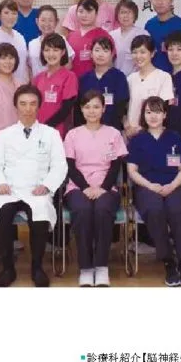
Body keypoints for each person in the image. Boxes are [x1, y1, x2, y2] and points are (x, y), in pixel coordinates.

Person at [0, 86, 68, 287]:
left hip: (37, 189)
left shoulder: (51, 134)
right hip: (9, 189)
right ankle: (7, 268)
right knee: (2, 214)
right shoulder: (5, 134)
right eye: (23, 104)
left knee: (39, 215)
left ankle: (37, 267)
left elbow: (59, 165)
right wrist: (0, 183)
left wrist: (47, 185)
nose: (27, 109)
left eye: (32, 104)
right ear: (16, 107)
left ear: (39, 106)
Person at [64, 90, 128, 287]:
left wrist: (103, 188)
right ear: (81, 109)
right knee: (82, 210)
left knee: (102, 209)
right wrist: (85, 187)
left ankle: (101, 267)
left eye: (96, 107)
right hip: (77, 187)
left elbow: (116, 167)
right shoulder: (72, 135)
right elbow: (70, 167)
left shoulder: (114, 134)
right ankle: (85, 268)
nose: (92, 111)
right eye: (87, 107)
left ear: (103, 109)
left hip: (106, 187)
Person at [127, 96, 181, 286]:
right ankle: (168, 261)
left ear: (165, 114)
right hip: (147, 187)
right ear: (143, 115)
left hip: (174, 186)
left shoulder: (175, 138)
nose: (153, 116)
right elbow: (132, 171)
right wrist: (150, 186)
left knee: (177, 210)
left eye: (157, 111)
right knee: (154, 209)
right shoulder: (137, 140)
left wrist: (172, 185)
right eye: (148, 112)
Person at [125, 35, 174, 137]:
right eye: (135, 52)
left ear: (152, 53)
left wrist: (142, 129)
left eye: (143, 52)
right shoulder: (130, 78)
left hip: (153, 133)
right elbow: (124, 107)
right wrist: (127, 126)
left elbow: (164, 108)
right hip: (130, 134)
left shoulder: (163, 77)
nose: (138, 56)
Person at [78, 36, 129, 132]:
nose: (100, 54)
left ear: (112, 55)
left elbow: (121, 106)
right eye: (97, 50)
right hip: (87, 129)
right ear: (91, 54)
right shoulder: (84, 78)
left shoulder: (119, 77)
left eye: (105, 51)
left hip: (112, 129)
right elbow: (79, 107)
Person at [33, 34, 79, 138]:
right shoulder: (37, 78)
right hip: (37, 130)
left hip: (57, 132)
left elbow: (66, 109)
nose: (51, 54)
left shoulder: (69, 77)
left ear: (63, 52)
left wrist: (46, 127)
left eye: (55, 50)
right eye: (47, 50)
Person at [144, 0, 181, 73]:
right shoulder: (149, 25)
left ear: (172, 0)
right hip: (153, 76)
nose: (160, 2)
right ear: (150, 0)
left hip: (174, 76)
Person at [67, 0, 114, 80]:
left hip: (95, 82)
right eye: (81, 11)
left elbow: (110, 62)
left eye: (89, 11)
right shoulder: (71, 36)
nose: (84, 15)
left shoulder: (104, 35)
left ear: (96, 13)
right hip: (73, 82)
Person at [0, 0, 29, 81]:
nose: (10, 17)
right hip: (2, 84)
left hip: (21, 84)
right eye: (6, 13)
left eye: (14, 13)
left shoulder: (20, 37)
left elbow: (25, 64)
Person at [28, 6, 75, 77]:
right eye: (43, 20)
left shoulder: (61, 39)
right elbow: (30, 68)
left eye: (50, 20)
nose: (47, 24)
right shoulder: (32, 44)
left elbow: (68, 65)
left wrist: (53, 79)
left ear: (57, 22)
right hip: (37, 82)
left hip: (57, 82)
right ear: (37, 21)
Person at [109, 0, 147, 76]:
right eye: (122, 12)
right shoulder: (111, 35)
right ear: (117, 15)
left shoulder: (142, 34)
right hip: (115, 78)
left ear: (135, 15)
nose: (126, 16)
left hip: (137, 78)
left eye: (129, 12)